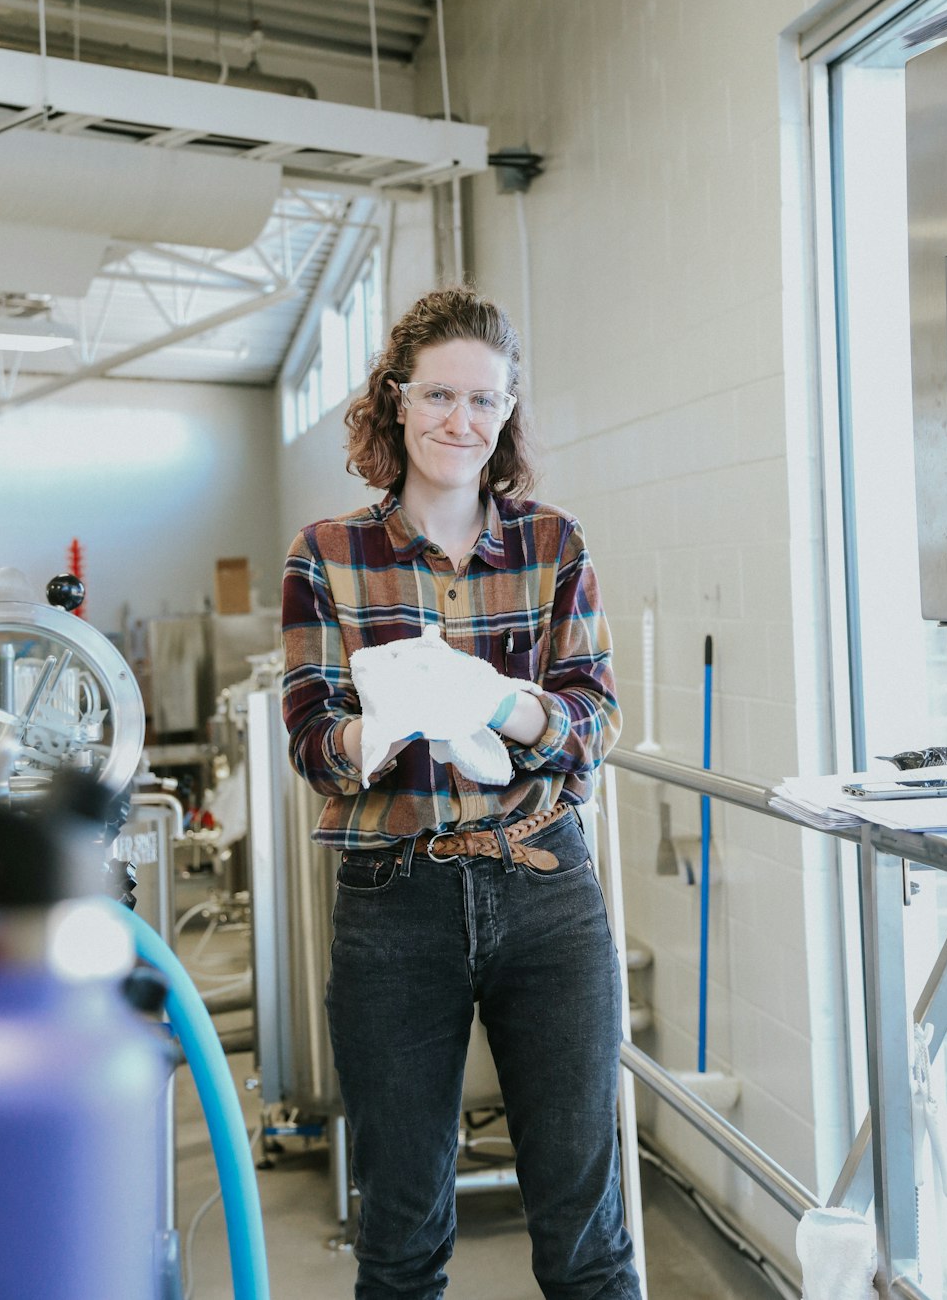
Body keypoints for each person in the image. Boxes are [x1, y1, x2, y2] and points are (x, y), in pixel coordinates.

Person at [281, 285, 641, 1300]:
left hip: (546, 895)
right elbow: (312, 742)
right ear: (395, 401)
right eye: (439, 395)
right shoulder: (326, 555)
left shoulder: (553, 544)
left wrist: (506, 705)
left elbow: (596, 719)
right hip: (395, 905)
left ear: (507, 412)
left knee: (585, 1233)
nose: (460, 421)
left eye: (484, 402)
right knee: (400, 1229)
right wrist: (376, 730)